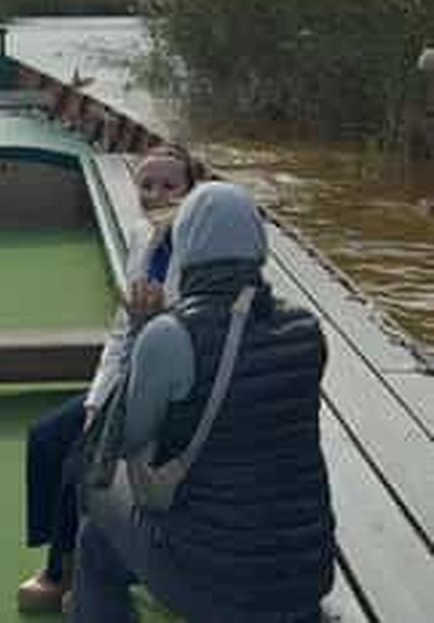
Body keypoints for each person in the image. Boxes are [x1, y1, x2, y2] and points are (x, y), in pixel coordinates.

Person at [71, 182, 336, 623]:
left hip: (215, 581)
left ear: (188, 243)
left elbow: (122, 440)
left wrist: (139, 330)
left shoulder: (170, 335)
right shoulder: (304, 329)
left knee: (96, 512)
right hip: (305, 574)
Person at [17, 143, 204, 613]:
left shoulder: (199, 249)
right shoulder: (142, 238)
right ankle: (61, 564)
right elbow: (121, 334)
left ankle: (68, 574)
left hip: (179, 390)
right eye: (147, 184)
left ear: (191, 190)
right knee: (46, 438)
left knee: (80, 459)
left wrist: (156, 321)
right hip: (132, 378)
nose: (156, 193)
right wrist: (97, 401)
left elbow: (197, 339)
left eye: (169, 185)